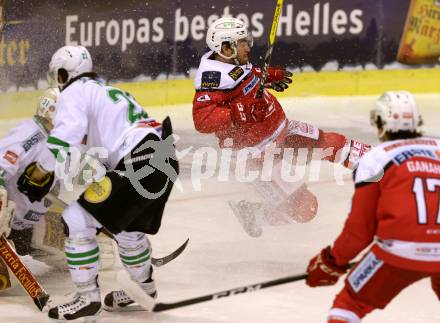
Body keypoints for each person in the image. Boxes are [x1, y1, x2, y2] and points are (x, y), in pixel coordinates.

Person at [17, 45, 178, 321]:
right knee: (126, 228)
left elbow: (65, 137)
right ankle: (144, 289)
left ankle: (87, 297)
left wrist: (40, 171)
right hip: (163, 159)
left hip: (138, 162)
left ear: (65, 74)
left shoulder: (74, 92)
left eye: (58, 75)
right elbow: (95, 161)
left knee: (76, 219)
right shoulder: (105, 92)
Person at [192, 17, 371, 236]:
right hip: (257, 156)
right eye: (242, 43)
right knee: (304, 208)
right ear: (226, 47)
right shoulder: (212, 78)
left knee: (331, 143)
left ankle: (381, 163)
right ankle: (254, 214)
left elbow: (244, 77)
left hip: (280, 130)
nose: (248, 46)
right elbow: (202, 119)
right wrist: (240, 112)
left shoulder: (231, 63)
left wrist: (265, 77)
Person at [305, 91, 440, 322]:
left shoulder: (377, 158)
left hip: (398, 253)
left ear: (379, 122)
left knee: (349, 304)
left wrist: (331, 261)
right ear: (417, 121)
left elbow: (361, 230)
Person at [0, 88, 59, 290]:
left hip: (30, 227)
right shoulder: (30, 136)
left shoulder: (59, 140)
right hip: (9, 229)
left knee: (76, 253)